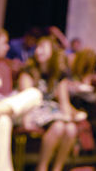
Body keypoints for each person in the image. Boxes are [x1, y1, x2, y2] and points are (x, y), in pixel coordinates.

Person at [18, 37, 83, 171]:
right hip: (34, 110)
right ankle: (42, 167)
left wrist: (69, 117)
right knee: (58, 126)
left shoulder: (59, 75)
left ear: (52, 52)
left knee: (71, 129)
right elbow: (24, 99)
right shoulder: (29, 71)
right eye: (38, 47)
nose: (38, 51)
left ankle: (57, 168)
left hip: (51, 112)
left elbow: (64, 102)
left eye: (43, 48)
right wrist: (26, 120)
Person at [0, 25, 42, 171]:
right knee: (3, 121)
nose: (7, 47)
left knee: (34, 94)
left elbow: (6, 94)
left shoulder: (4, 67)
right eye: (3, 42)